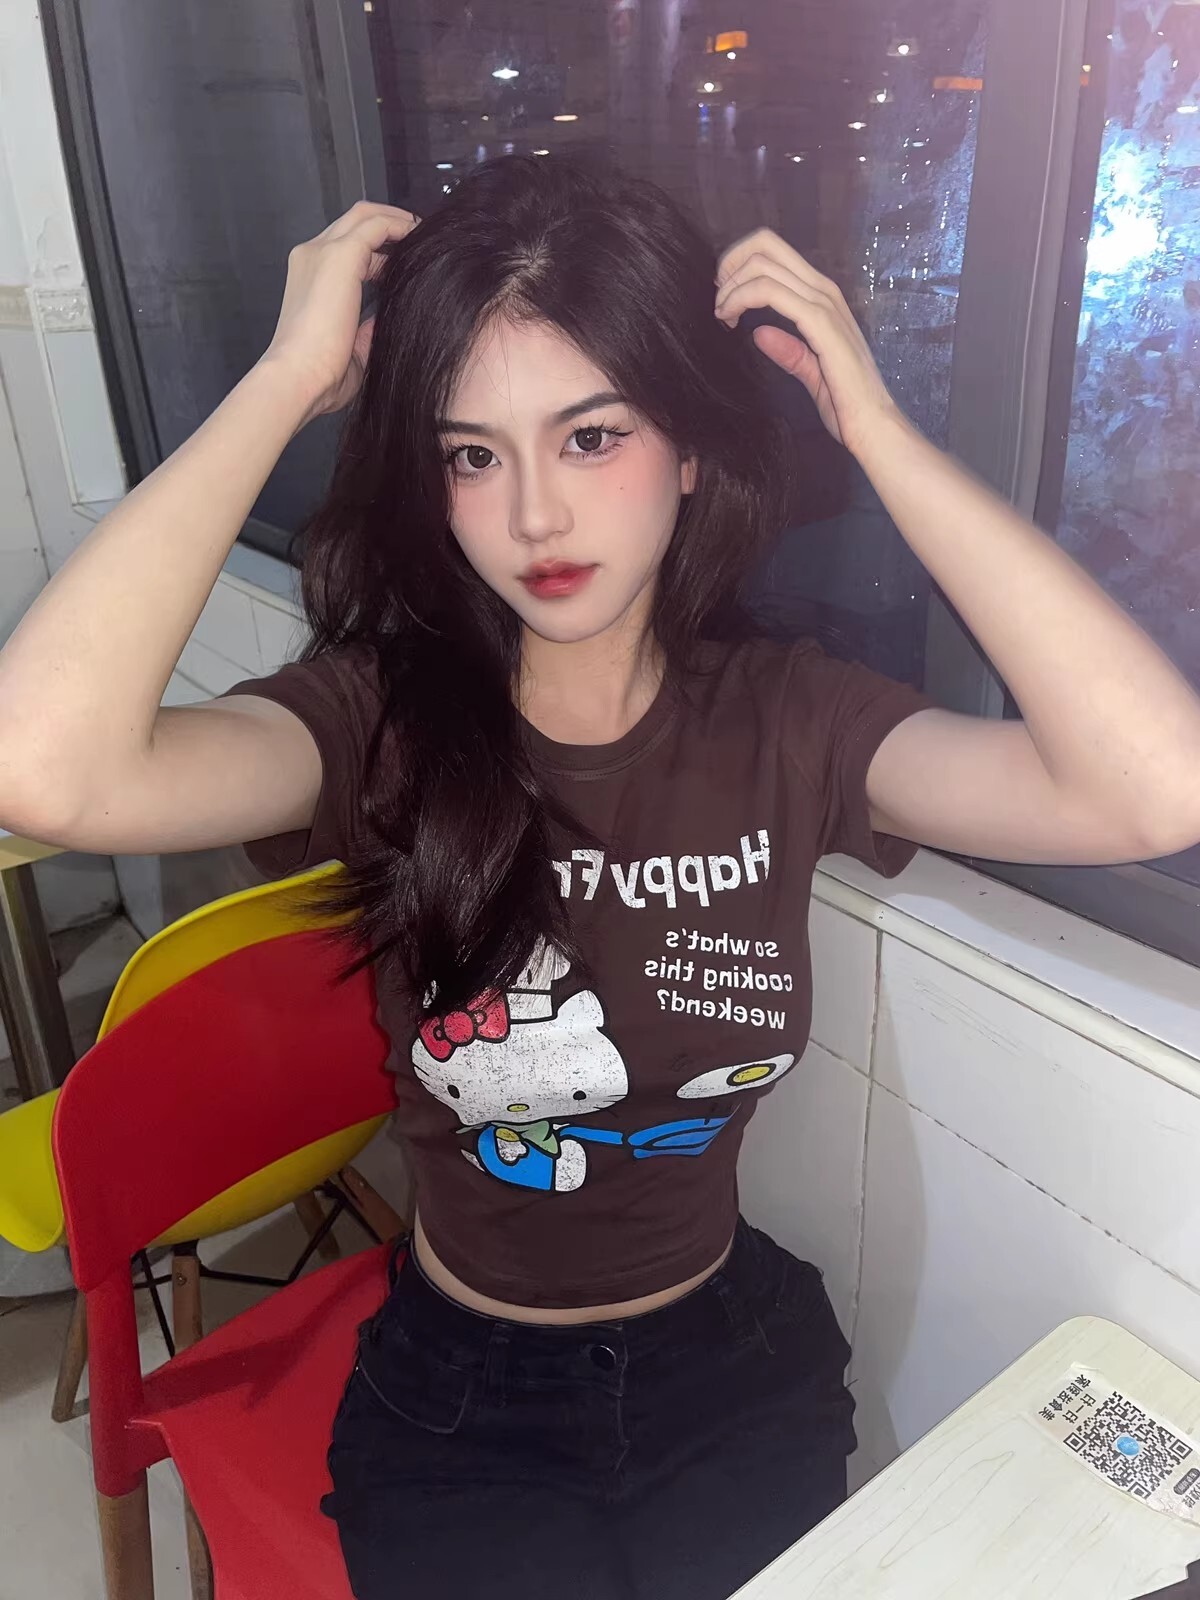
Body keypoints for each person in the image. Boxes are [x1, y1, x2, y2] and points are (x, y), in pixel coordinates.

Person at [1, 155, 1198, 1600]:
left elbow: (1153, 786)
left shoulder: (789, 718)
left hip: (732, 1360)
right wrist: (280, 383)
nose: (535, 518)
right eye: (472, 455)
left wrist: (878, 432)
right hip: (465, 1400)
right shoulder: (374, 723)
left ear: (690, 448)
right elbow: (41, 770)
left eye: (590, 436)